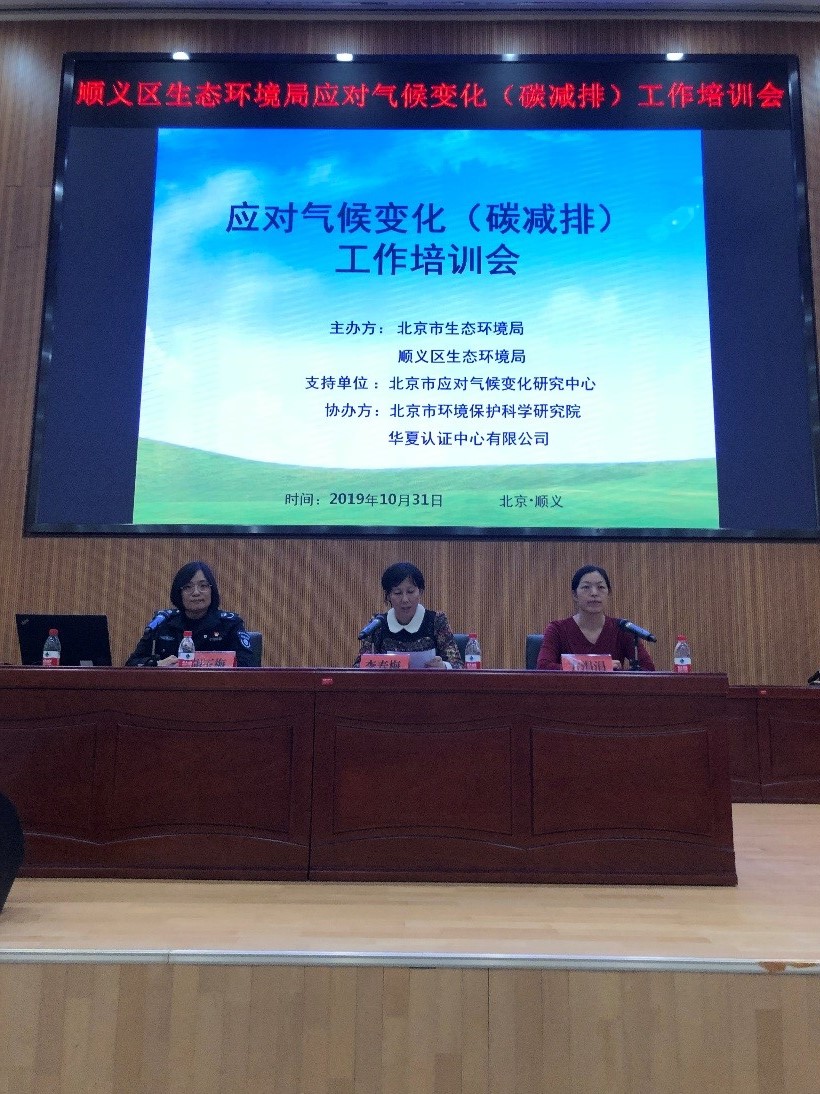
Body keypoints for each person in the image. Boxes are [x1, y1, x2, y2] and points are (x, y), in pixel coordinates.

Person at [126, 560, 255, 667]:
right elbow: (132, 664)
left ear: (212, 590)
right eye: (188, 587)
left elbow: (248, 666)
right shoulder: (162, 622)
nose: (196, 592)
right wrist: (157, 664)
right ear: (179, 593)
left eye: (203, 586)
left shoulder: (230, 624)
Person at [536, 564, 655, 671]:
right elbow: (543, 667)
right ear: (575, 595)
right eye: (586, 587)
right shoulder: (557, 629)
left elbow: (648, 668)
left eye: (600, 587)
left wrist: (619, 674)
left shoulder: (622, 629)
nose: (594, 593)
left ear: (608, 593)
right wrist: (602, 666)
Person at [354, 561, 464, 669]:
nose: (405, 599)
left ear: (420, 592)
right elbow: (358, 666)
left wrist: (444, 666)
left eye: (410, 592)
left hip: (428, 681)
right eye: (398, 593)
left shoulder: (436, 621)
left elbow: (458, 665)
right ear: (388, 596)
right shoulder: (378, 624)